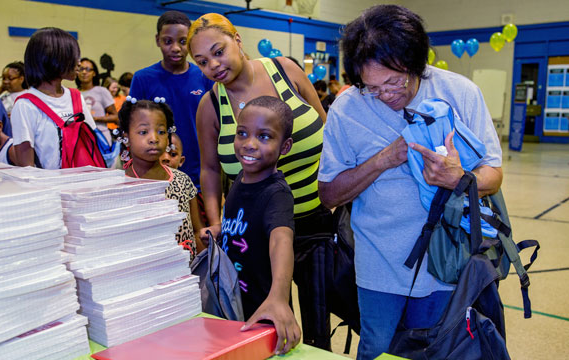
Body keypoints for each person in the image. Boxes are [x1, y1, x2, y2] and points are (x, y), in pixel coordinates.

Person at [317, 5, 503, 359]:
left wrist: (459, 178)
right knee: (376, 349)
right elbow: (328, 193)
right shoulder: (347, 108)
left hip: (446, 260)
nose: (386, 95)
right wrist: (383, 160)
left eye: (394, 81)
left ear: (416, 64)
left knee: (441, 348)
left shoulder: (459, 93)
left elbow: (494, 174)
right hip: (378, 265)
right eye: (372, 88)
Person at [188, 13, 334, 350]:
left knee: (316, 328)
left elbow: (329, 132)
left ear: (237, 40)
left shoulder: (285, 70)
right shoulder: (210, 106)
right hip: (253, 234)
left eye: (218, 51)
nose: (213, 65)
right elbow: (210, 170)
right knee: (266, 327)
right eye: (202, 61)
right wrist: (216, 222)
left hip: (314, 221)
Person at [200, 96, 301, 355]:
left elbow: (281, 239)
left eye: (264, 136)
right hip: (232, 307)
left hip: (262, 312)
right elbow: (247, 223)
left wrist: (278, 297)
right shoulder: (240, 182)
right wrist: (220, 230)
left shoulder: (276, 194)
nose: (249, 144)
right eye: (242, 133)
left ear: (285, 146)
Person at [130, 10, 213, 192]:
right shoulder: (143, 78)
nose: (175, 48)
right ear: (157, 40)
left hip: (200, 170)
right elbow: (133, 129)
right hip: (155, 175)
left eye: (183, 41)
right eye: (168, 41)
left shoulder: (205, 76)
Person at [119, 97, 204, 259]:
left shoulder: (182, 180)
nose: (154, 139)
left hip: (187, 271)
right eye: (143, 132)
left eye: (161, 131)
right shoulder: (121, 185)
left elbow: (196, 231)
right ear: (126, 137)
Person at [11, 27, 97, 169]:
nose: (79, 63)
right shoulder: (25, 105)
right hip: (51, 188)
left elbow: (91, 143)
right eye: (73, 56)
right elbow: (27, 168)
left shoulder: (76, 97)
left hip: (83, 184)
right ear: (54, 58)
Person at [76, 57, 118, 144]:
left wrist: (94, 118)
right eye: (81, 69)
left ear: (94, 73)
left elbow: (115, 117)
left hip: (100, 138)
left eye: (88, 69)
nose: (84, 72)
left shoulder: (101, 91)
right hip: (81, 138)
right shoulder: (74, 93)